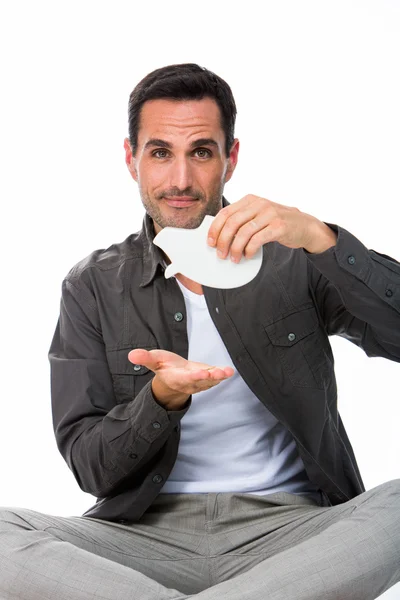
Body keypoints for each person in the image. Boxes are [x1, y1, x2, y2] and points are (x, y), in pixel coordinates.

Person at [0, 63, 399, 600]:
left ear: (230, 159)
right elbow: (91, 467)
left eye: (202, 153)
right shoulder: (92, 284)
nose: (181, 180)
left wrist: (321, 238)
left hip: (293, 535)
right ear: (131, 159)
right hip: (139, 541)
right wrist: (160, 400)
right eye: (160, 153)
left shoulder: (295, 260)